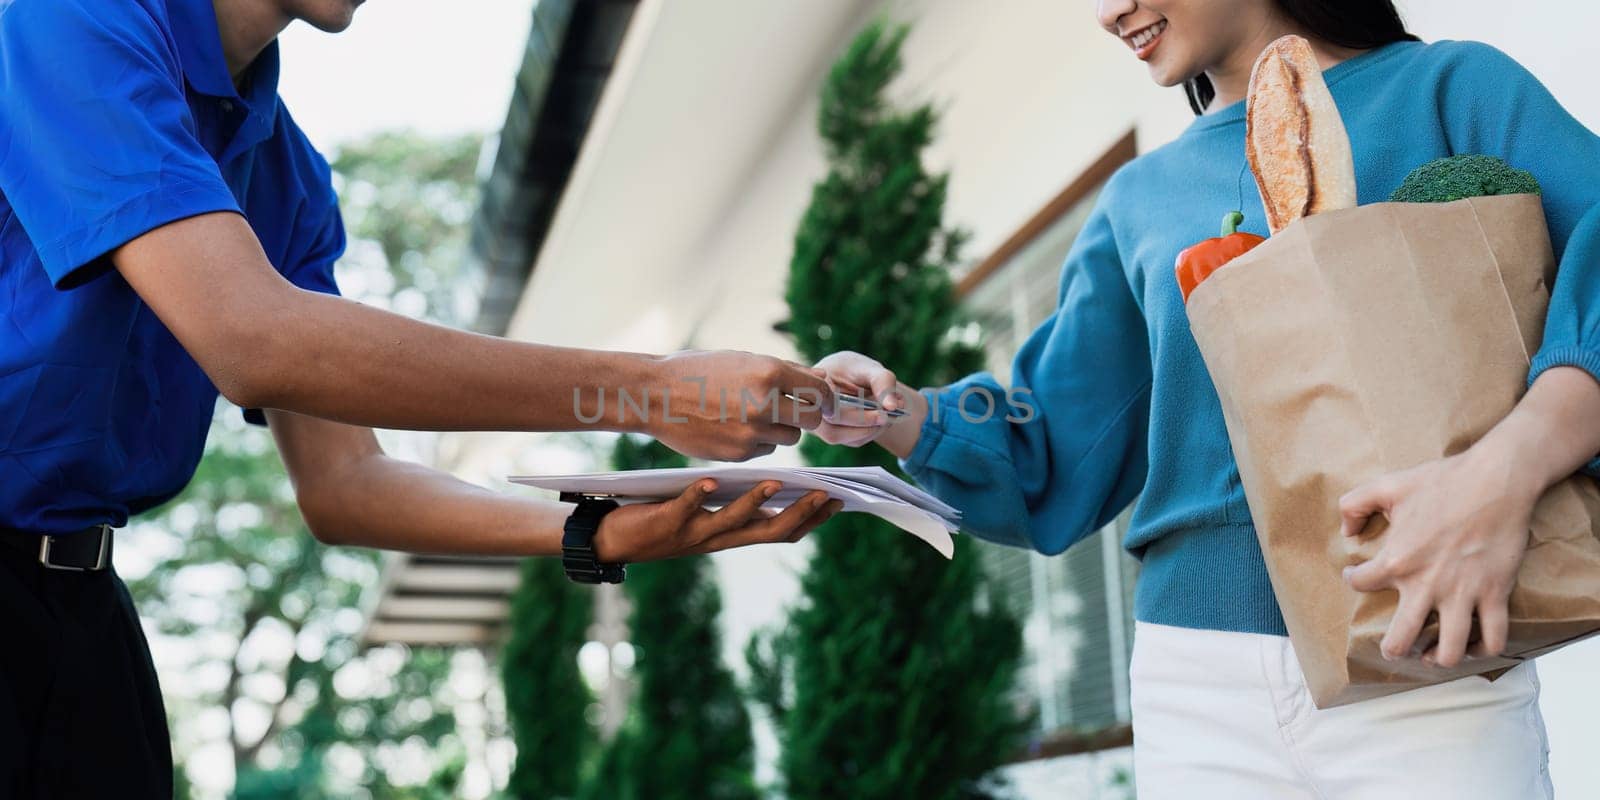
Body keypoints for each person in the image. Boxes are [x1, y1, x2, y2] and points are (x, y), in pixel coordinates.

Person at [0, 0, 847, 796]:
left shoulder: (286, 177)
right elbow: (249, 338)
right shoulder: (64, 19)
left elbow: (347, 484)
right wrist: (654, 391)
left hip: (82, 616)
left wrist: (598, 530)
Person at [813, 0, 1600, 797]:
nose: (1109, 11)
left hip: (1429, 651)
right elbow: (1053, 441)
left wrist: (1504, 470)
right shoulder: (1138, 200)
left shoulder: (1451, 91)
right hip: (1195, 685)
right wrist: (902, 415)